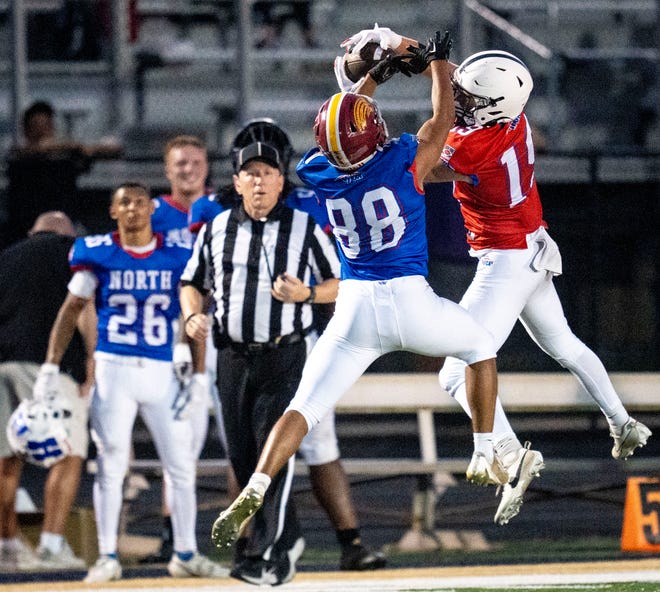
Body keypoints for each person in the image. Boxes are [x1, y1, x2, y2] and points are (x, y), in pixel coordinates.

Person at [205, 30, 517, 565]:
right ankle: (484, 448)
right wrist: (439, 64)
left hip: (353, 308)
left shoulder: (317, 170)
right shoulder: (400, 160)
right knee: (480, 347)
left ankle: (257, 482)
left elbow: (346, 125)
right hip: (410, 298)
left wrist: (373, 77)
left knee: (303, 407)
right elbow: (442, 122)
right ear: (374, 134)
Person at [351, 27, 652, 524]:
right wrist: (418, 53)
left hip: (506, 259)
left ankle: (511, 454)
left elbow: (425, 161)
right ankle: (622, 422)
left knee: (455, 370)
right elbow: (453, 106)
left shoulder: (474, 148)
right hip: (533, 244)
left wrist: (409, 71)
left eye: (473, 97)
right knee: (565, 344)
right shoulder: (513, 121)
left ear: (493, 104)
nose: (463, 101)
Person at [190, 118, 387, 572]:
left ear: (283, 174)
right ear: (237, 177)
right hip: (233, 347)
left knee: (314, 444)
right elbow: (198, 278)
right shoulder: (215, 220)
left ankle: (334, 540)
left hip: (297, 343)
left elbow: (342, 277)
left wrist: (308, 297)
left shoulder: (305, 216)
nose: (259, 179)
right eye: (250, 170)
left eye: (269, 168)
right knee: (244, 448)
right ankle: (257, 540)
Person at [35, 183, 229, 582]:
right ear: (113, 211)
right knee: (110, 465)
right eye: (125, 202)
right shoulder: (99, 254)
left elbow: (196, 317)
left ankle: (186, 552)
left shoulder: (177, 258)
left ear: (151, 210)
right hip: (114, 367)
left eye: (141, 202)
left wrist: (198, 375)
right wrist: (51, 366)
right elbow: (71, 310)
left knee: (181, 466)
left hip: (161, 371)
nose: (134, 209)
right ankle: (107, 555)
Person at [139, 134, 220, 564]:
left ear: (206, 166)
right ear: (167, 170)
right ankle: (174, 536)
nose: (187, 169)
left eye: (194, 162)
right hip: (172, 335)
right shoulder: (152, 214)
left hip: (227, 329)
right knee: (180, 438)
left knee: (237, 433)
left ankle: (248, 536)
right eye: (179, 164)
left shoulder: (227, 206)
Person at [0, 211, 95, 571]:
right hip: (50, 370)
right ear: (69, 232)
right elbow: (82, 307)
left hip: (3, 364)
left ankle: (7, 544)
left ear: (31, 232)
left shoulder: (6, 257)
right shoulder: (74, 252)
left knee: (7, 460)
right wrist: (91, 360)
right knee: (68, 453)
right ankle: (52, 544)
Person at [2, 101, 121, 249]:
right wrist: (67, 146)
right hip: (24, 230)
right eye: (36, 128)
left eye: (46, 127)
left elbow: (111, 151)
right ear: (26, 130)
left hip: (64, 227)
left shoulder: (63, 159)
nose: (42, 133)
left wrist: (80, 148)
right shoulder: (19, 158)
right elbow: (31, 150)